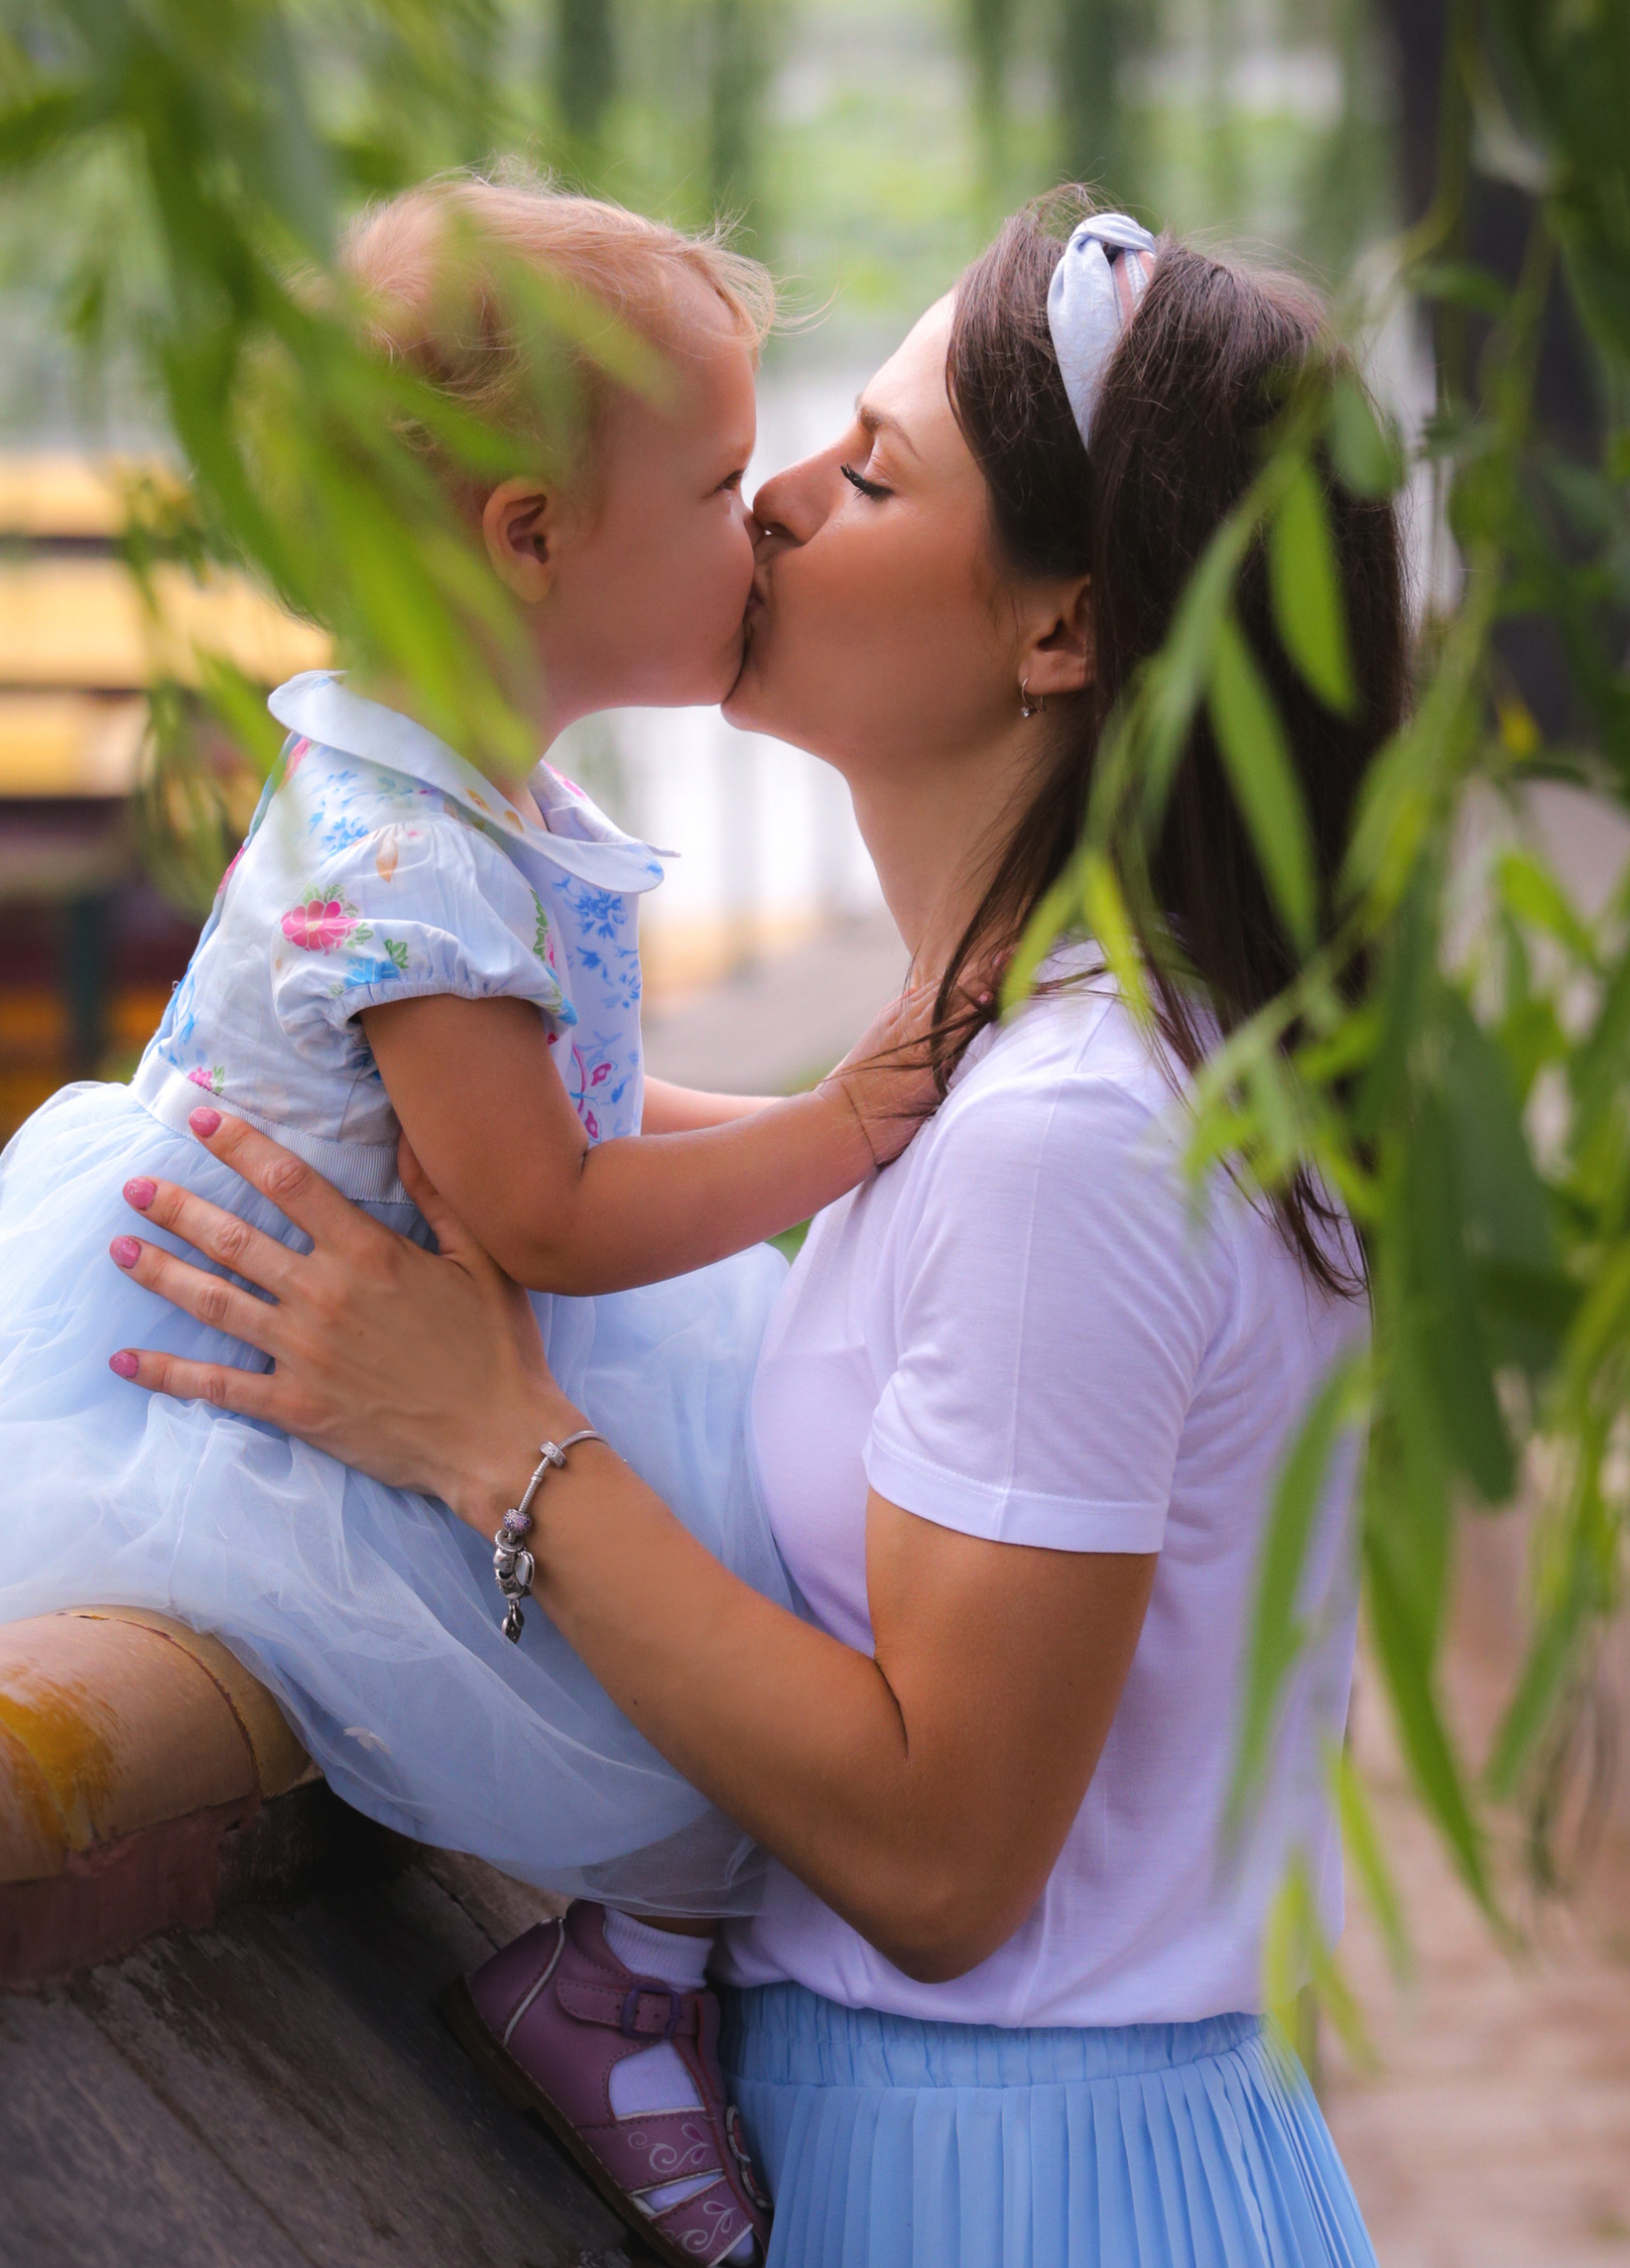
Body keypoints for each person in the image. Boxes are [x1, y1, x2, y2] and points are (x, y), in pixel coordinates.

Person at [106, 197, 1406, 2267]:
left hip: (1012, 2187)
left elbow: (938, 1852)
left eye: (865, 469)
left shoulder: (1063, 1133)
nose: (780, 507)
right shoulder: (1042, 1070)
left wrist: (486, 1431)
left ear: (1060, 629)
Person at [0, 177, 937, 2266]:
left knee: (771, 1557)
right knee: (715, 1678)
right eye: (723, 482)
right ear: (528, 536)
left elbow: (585, 1105)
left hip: (408, 1306)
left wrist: (846, 1127)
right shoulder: (410, 862)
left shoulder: (471, 792)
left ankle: (638, 1980)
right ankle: (616, 1995)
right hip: (304, 1391)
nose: (765, 526)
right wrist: (838, 1130)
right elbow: (538, 1211)